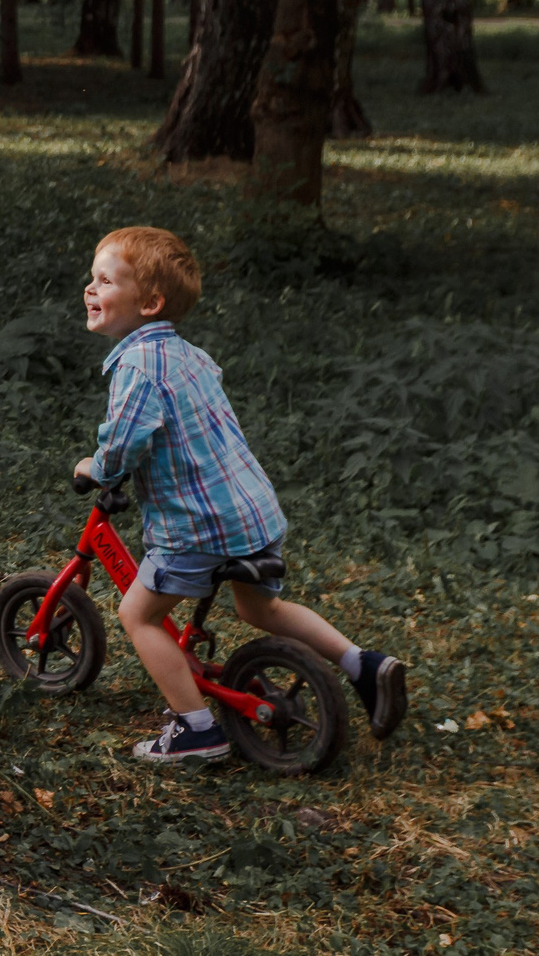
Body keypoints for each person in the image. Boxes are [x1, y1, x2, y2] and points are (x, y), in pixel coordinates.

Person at [72, 226, 408, 764]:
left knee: (138, 615)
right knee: (262, 607)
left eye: (105, 281)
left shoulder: (137, 367)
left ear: (151, 303)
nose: (90, 289)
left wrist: (98, 466)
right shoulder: (191, 356)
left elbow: (124, 443)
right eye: (92, 278)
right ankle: (362, 664)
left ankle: (196, 730)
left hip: (199, 528)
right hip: (252, 515)